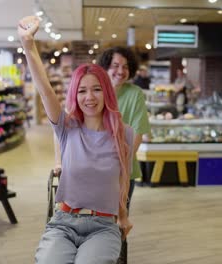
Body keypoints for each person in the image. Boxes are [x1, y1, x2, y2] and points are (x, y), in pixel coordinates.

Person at [18, 16, 134, 263]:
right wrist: (28, 45)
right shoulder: (66, 127)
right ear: (74, 94)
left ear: (107, 92)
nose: (89, 97)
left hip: (104, 225)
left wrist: (123, 215)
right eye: (82, 90)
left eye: (96, 89)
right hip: (64, 223)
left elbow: (124, 179)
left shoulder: (124, 133)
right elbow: (45, 90)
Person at [98, 46, 151, 210]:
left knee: (120, 221)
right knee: (97, 221)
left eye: (126, 67)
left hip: (124, 171)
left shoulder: (135, 94)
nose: (120, 71)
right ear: (106, 67)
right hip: (96, 168)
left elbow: (138, 131)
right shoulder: (95, 91)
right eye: (115, 65)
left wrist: (123, 164)